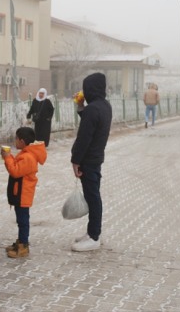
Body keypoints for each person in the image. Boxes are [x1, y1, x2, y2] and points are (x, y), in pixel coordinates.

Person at [70, 72, 112, 252]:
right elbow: (90, 122)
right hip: (96, 157)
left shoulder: (93, 109)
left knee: (93, 197)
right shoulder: (103, 106)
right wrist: (81, 107)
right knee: (92, 196)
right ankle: (92, 232)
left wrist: (75, 160)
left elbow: (84, 137)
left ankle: (94, 236)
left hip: (88, 159)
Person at [1, 126, 47, 258]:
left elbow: (15, 171)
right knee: (21, 219)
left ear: (22, 141)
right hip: (20, 193)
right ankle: (21, 242)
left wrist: (7, 157)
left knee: (23, 221)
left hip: (23, 194)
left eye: (16, 139)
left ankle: (23, 246)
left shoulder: (28, 157)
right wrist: (9, 158)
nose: (14, 141)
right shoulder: (26, 153)